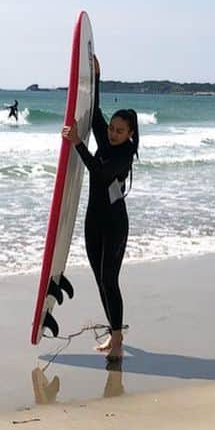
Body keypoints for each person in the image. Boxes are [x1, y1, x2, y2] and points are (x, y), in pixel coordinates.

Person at [62, 56, 139, 361]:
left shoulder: (124, 156)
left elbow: (99, 171)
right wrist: (96, 77)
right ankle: (114, 330)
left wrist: (77, 143)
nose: (112, 133)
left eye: (120, 131)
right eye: (113, 129)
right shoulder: (107, 141)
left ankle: (117, 339)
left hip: (115, 225)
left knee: (110, 279)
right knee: (99, 278)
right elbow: (94, 114)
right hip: (94, 220)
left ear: (130, 134)